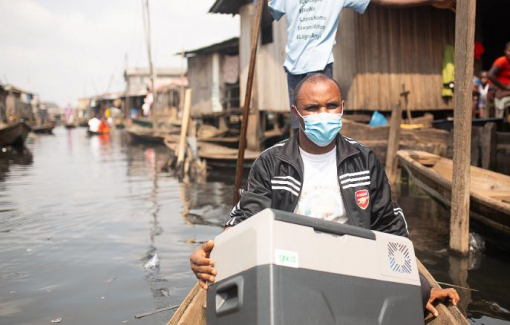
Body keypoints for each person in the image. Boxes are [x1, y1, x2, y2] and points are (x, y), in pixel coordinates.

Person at [190, 74, 459, 318]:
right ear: (296, 113)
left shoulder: (363, 159)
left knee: (417, 294)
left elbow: (389, 225)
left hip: (354, 263)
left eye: (331, 106)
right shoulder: (272, 161)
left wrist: (417, 283)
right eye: (313, 108)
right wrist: (213, 251)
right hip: (293, 263)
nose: (324, 114)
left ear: (342, 107)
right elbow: (246, 218)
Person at [261, 0, 456, 131]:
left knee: (320, 128)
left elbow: (382, 1)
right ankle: (302, 178)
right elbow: (265, 19)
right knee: (298, 129)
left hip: (318, 66)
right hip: (293, 68)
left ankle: (325, 172)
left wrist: (428, 0)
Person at [488, 41, 510, 119]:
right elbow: (490, 75)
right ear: (505, 51)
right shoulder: (502, 60)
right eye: (509, 51)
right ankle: (499, 121)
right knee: (499, 100)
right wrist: (504, 87)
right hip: (499, 87)